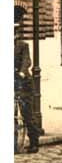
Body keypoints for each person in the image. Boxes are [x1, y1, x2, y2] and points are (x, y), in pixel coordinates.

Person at [14, 8, 40, 152]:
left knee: (27, 114)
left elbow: (27, 60)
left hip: (23, 83)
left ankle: (34, 142)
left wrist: (23, 72)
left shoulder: (23, 46)